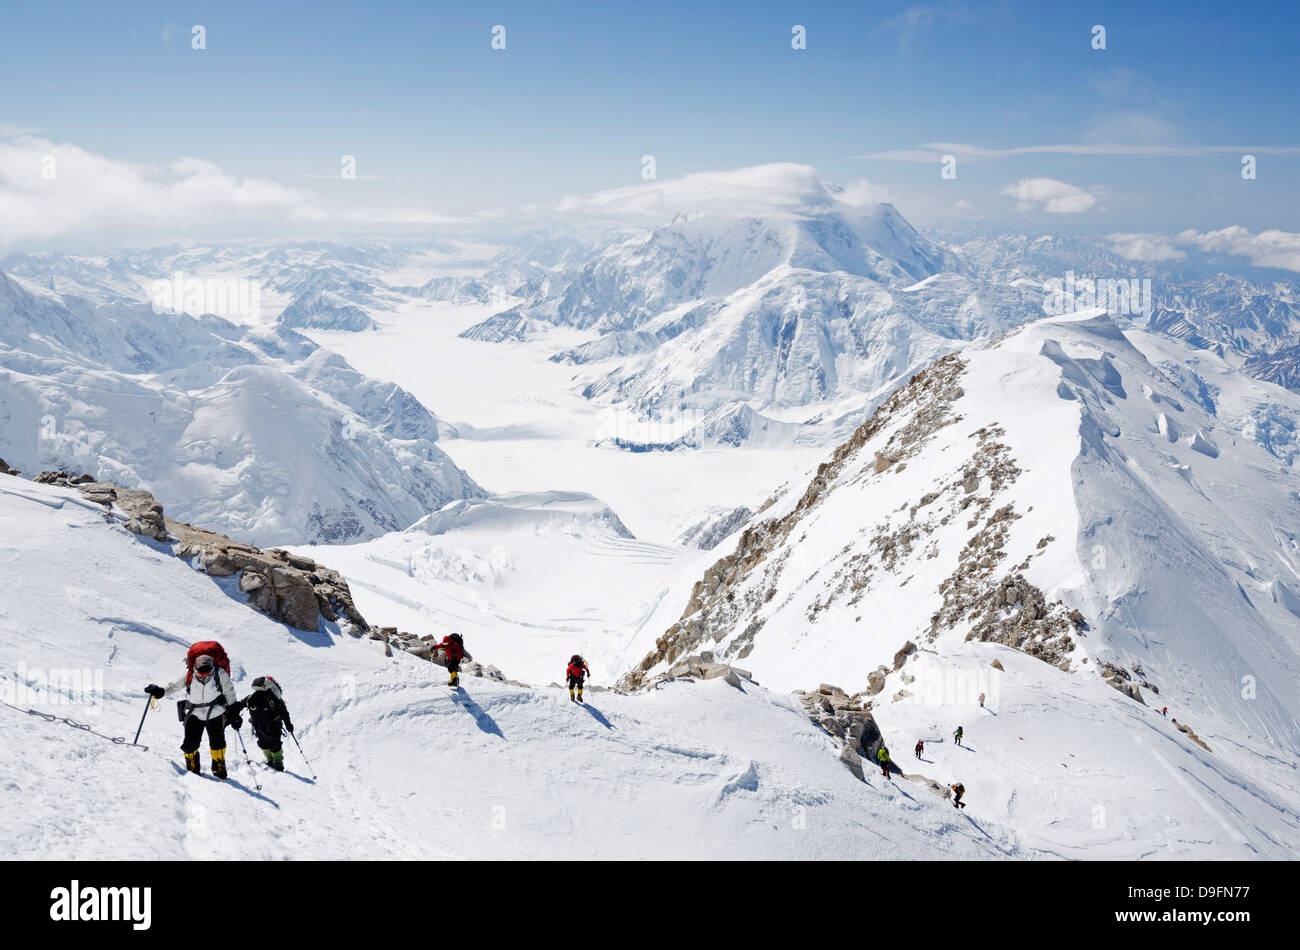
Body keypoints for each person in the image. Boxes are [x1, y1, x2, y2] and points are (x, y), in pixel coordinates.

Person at [145, 641, 241, 779]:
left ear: (212, 666)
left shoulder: (220, 674)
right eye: (201, 670)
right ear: (195, 666)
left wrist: (234, 713)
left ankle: (219, 767)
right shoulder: (189, 673)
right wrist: (160, 691)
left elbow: (230, 693)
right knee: (190, 743)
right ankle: (192, 768)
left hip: (216, 712)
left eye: (207, 670)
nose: (203, 674)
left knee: (218, 743)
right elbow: (173, 686)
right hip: (194, 713)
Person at [244, 675, 293, 772]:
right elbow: (283, 712)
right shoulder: (272, 697)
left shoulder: (251, 698)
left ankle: (274, 761)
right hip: (272, 725)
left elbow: (241, 704)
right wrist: (288, 724)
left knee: (265, 744)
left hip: (260, 726)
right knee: (273, 744)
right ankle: (277, 763)